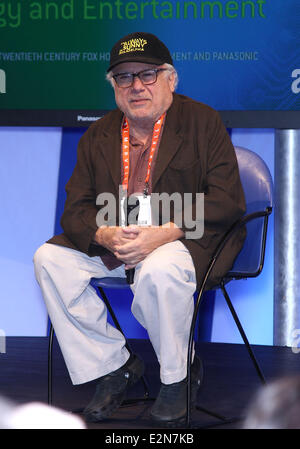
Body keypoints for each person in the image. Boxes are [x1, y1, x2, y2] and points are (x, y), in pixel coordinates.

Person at [33, 31, 246, 427]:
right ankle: (115, 364)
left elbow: (226, 202)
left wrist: (165, 232)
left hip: (186, 238)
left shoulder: (203, 122)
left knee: (159, 269)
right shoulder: (99, 134)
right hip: (121, 239)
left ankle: (177, 377)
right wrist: (104, 235)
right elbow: (75, 210)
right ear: (114, 87)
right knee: (50, 259)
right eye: (124, 78)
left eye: (147, 75)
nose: (136, 86)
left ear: (171, 79)